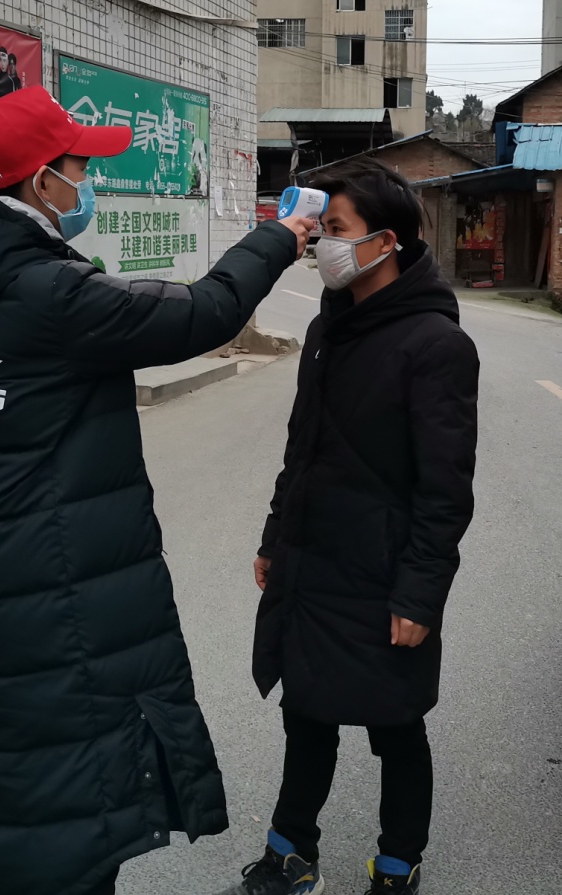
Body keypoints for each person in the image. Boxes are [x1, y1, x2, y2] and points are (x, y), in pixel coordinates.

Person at [0, 86, 313, 895]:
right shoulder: (51, 293)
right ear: (41, 180)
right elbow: (204, 311)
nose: (86, 183)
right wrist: (277, 236)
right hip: (58, 605)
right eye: (80, 167)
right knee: (67, 803)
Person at [216, 159, 479, 895]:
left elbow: (445, 491)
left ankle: (397, 866)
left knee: (396, 726)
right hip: (315, 561)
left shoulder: (435, 344)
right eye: (323, 228)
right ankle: (290, 856)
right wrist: (275, 538)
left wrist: (419, 594)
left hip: (384, 574)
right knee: (306, 714)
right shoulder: (328, 326)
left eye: (337, 230)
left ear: (385, 242)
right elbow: (302, 447)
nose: (324, 244)